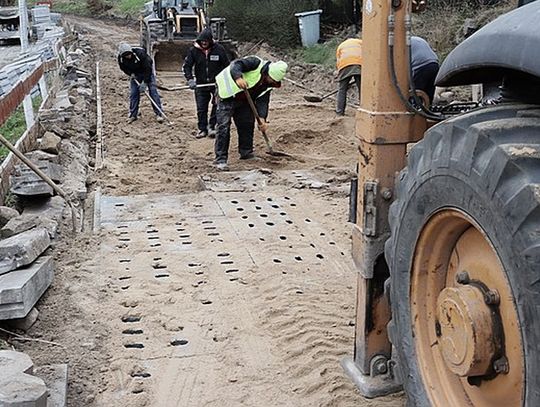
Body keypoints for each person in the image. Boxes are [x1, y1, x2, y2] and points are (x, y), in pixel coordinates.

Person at [214, 56, 288, 170]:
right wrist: (238, 78)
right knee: (223, 127)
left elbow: (263, 101)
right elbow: (236, 64)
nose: (272, 82)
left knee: (247, 123)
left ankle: (246, 152)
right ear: (268, 74)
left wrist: (262, 118)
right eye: (272, 80)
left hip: (244, 98)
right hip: (227, 94)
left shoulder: (267, 84)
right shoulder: (255, 62)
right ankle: (221, 159)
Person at [183, 28, 230, 138]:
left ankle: (212, 126)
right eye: (202, 41)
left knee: (216, 105)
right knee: (201, 107)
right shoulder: (193, 51)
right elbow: (187, 66)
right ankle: (202, 129)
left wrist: (224, 81)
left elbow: (226, 66)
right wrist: (190, 79)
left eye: (206, 41)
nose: (204, 43)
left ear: (210, 41)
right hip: (200, 84)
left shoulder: (219, 50)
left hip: (216, 84)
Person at [117, 43, 164, 123]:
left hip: (146, 73)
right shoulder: (121, 59)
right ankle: (133, 115)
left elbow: (148, 68)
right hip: (135, 75)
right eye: (126, 55)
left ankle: (159, 114)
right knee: (134, 94)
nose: (128, 56)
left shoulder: (140, 54)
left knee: (153, 92)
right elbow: (123, 68)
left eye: (129, 54)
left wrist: (145, 82)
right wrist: (130, 73)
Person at [335, 38, 362, 116]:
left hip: (344, 64)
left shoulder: (341, 46)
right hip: (358, 63)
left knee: (342, 89)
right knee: (362, 89)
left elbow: (338, 61)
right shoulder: (360, 42)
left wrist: (343, 80)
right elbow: (369, 55)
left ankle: (340, 112)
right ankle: (363, 109)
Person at [411, 36, 439, 104]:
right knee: (428, 94)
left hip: (420, 66)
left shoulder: (401, 43)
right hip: (434, 64)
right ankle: (428, 110)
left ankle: (416, 111)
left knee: (415, 95)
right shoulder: (417, 39)